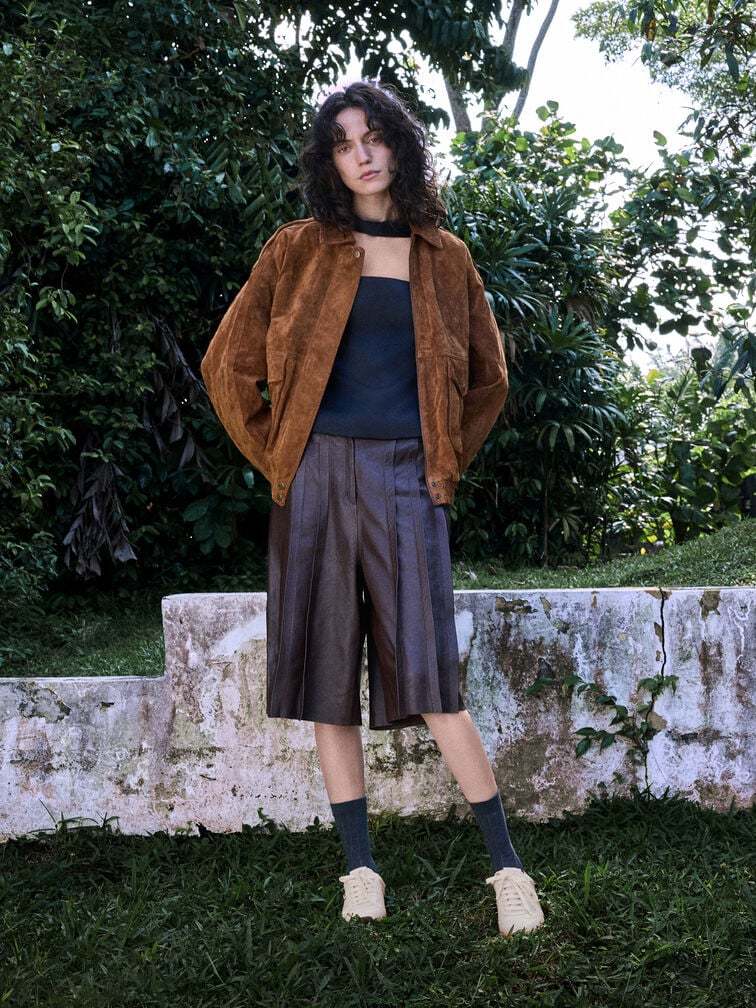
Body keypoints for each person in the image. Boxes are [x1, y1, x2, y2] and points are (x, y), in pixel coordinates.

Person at [200, 80, 545, 937]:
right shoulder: (296, 250)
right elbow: (227, 366)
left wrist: (440, 461)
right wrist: (281, 454)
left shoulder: (446, 258)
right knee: (327, 676)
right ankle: (361, 870)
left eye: (374, 136)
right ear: (329, 161)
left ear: (399, 144)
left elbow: (488, 380)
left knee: (434, 675)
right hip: (315, 476)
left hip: (407, 480)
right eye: (343, 142)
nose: (361, 153)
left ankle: (508, 869)